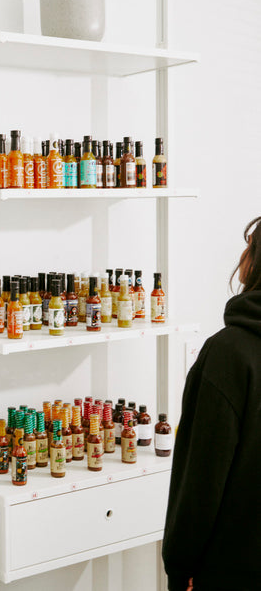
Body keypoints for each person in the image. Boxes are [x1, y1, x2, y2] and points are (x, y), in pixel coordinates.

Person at [163, 215, 261, 590]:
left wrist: (181, 562)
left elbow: (201, 476)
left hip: (235, 566)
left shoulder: (228, 354)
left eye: (251, 244)